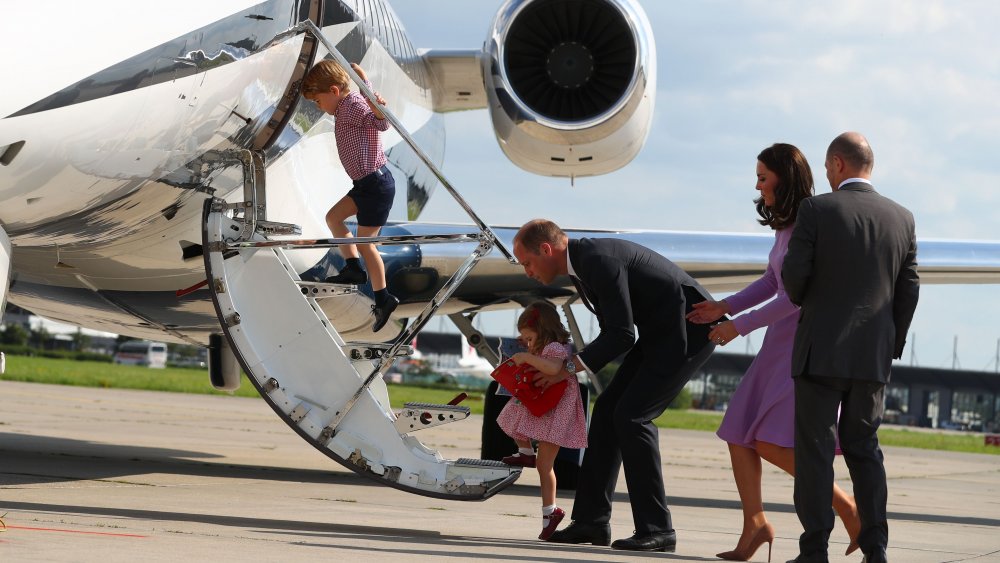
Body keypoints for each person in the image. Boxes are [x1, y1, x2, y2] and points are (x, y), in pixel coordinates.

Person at [687, 143, 861, 562]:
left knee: (770, 443)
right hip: (776, 346)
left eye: (764, 177)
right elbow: (771, 281)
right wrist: (724, 306)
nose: (758, 185)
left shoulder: (811, 222)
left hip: (799, 347)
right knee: (737, 433)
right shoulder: (787, 228)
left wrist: (736, 326)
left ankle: (850, 508)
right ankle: (756, 524)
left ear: (784, 178)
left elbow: (794, 298)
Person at [512, 219, 716, 552]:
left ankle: (658, 529)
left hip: (688, 333)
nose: (527, 272)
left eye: (528, 263)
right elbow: (615, 333)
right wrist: (567, 368)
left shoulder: (596, 259)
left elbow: (621, 334)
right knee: (608, 411)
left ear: (546, 250)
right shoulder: (583, 265)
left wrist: (564, 368)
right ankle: (591, 522)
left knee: (633, 417)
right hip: (660, 335)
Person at [782, 132, 919, 563]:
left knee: (816, 451)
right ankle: (876, 549)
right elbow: (909, 289)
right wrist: (888, 342)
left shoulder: (816, 210)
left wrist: (814, 304)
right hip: (872, 357)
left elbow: (794, 277)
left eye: (826, 168)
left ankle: (815, 550)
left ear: (838, 164)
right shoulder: (902, 218)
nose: (825, 176)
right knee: (865, 449)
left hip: (821, 351)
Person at [301, 59, 398, 332]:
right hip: (364, 185)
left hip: (376, 185)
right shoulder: (345, 106)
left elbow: (380, 124)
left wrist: (376, 106)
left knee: (367, 243)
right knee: (334, 218)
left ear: (333, 91)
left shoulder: (351, 106)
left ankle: (383, 298)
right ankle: (353, 268)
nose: (319, 108)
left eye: (319, 102)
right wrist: (365, 84)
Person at [495, 301, 588, 541]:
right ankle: (525, 452)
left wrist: (526, 356)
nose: (527, 343)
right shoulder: (545, 348)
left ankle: (550, 511)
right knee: (511, 414)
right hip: (546, 405)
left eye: (529, 337)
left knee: (544, 465)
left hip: (555, 411)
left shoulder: (556, 348)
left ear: (542, 330)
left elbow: (553, 367)